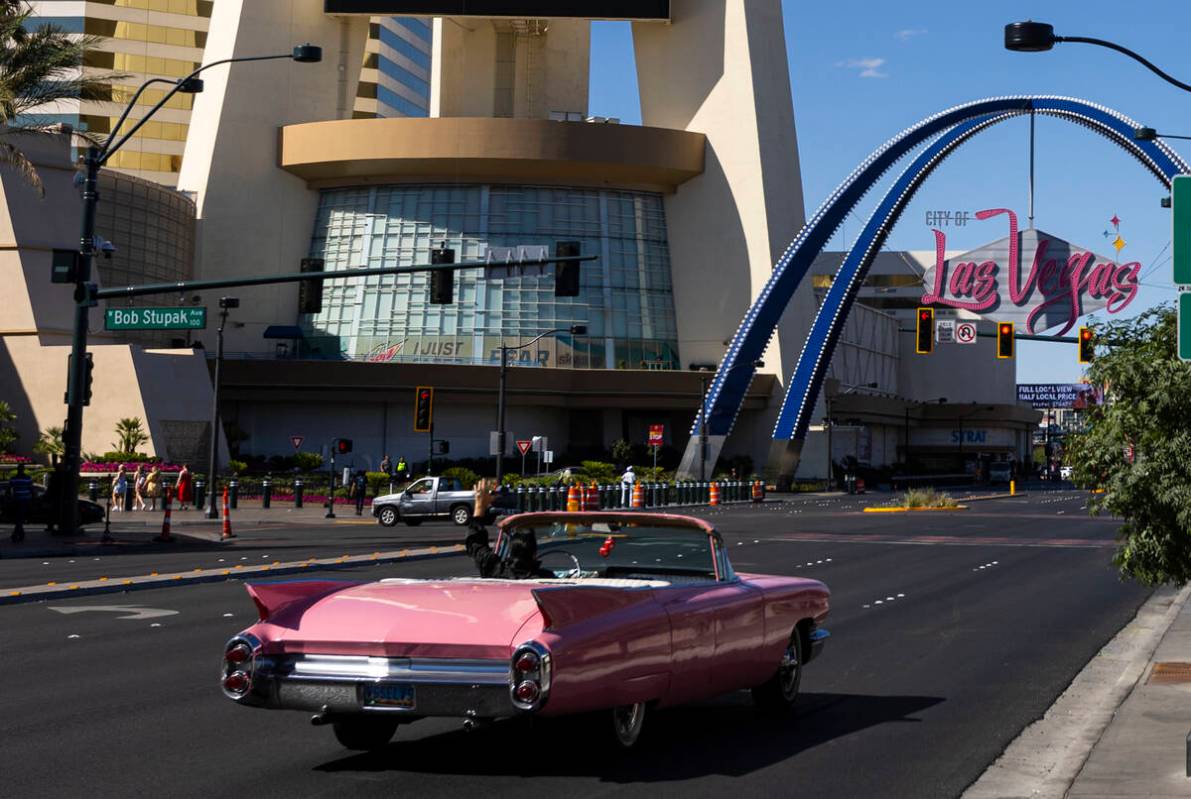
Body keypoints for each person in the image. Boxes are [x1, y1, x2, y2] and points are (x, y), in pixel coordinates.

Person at [464, 520, 553, 579]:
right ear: (534, 553)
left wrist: (479, 510)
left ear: (510, 552)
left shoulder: (495, 570)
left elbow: (475, 545)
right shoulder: (546, 579)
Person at [8, 464, 33, 543]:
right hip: (24, 500)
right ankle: (17, 534)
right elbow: (31, 489)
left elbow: (9, 489)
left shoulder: (13, 479)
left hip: (17, 500)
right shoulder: (28, 478)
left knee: (19, 518)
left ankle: (19, 534)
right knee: (20, 518)